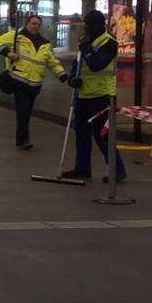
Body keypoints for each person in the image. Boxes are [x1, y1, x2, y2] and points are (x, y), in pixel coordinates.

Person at [60, 10, 126, 182]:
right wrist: (72, 78)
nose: (87, 28)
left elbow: (97, 64)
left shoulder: (109, 42)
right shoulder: (86, 41)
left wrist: (87, 47)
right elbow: (79, 63)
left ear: (99, 25)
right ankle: (82, 168)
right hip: (82, 94)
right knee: (81, 133)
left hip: (102, 94)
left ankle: (117, 170)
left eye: (90, 25)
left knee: (102, 134)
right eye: (86, 24)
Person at [0, 14, 68, 150]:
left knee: (26, 112)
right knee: (23, 112)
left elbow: (52, 63)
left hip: (35, 84)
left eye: (38, 24)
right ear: (27, 23)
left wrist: (64, 77)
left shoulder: (44, 44)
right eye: (33, 23)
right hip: (19, 80)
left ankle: (22, 138)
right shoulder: (16, 36)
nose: (35, 26)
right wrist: (8, 53)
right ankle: (23, 140)